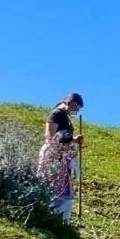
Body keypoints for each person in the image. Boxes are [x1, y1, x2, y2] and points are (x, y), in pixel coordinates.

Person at [38, 93, 84, 222]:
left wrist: (74, 140)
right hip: (54, 155)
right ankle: (51, 216)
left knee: (62, 186)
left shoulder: (65, 117)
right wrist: (59, 151)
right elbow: (50, 136)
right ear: (70, 103)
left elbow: (64, 137)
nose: (77, 110)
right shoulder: (56, 114)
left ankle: (59, 219)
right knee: (53, 184)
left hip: (62, 155)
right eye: (77, 107)